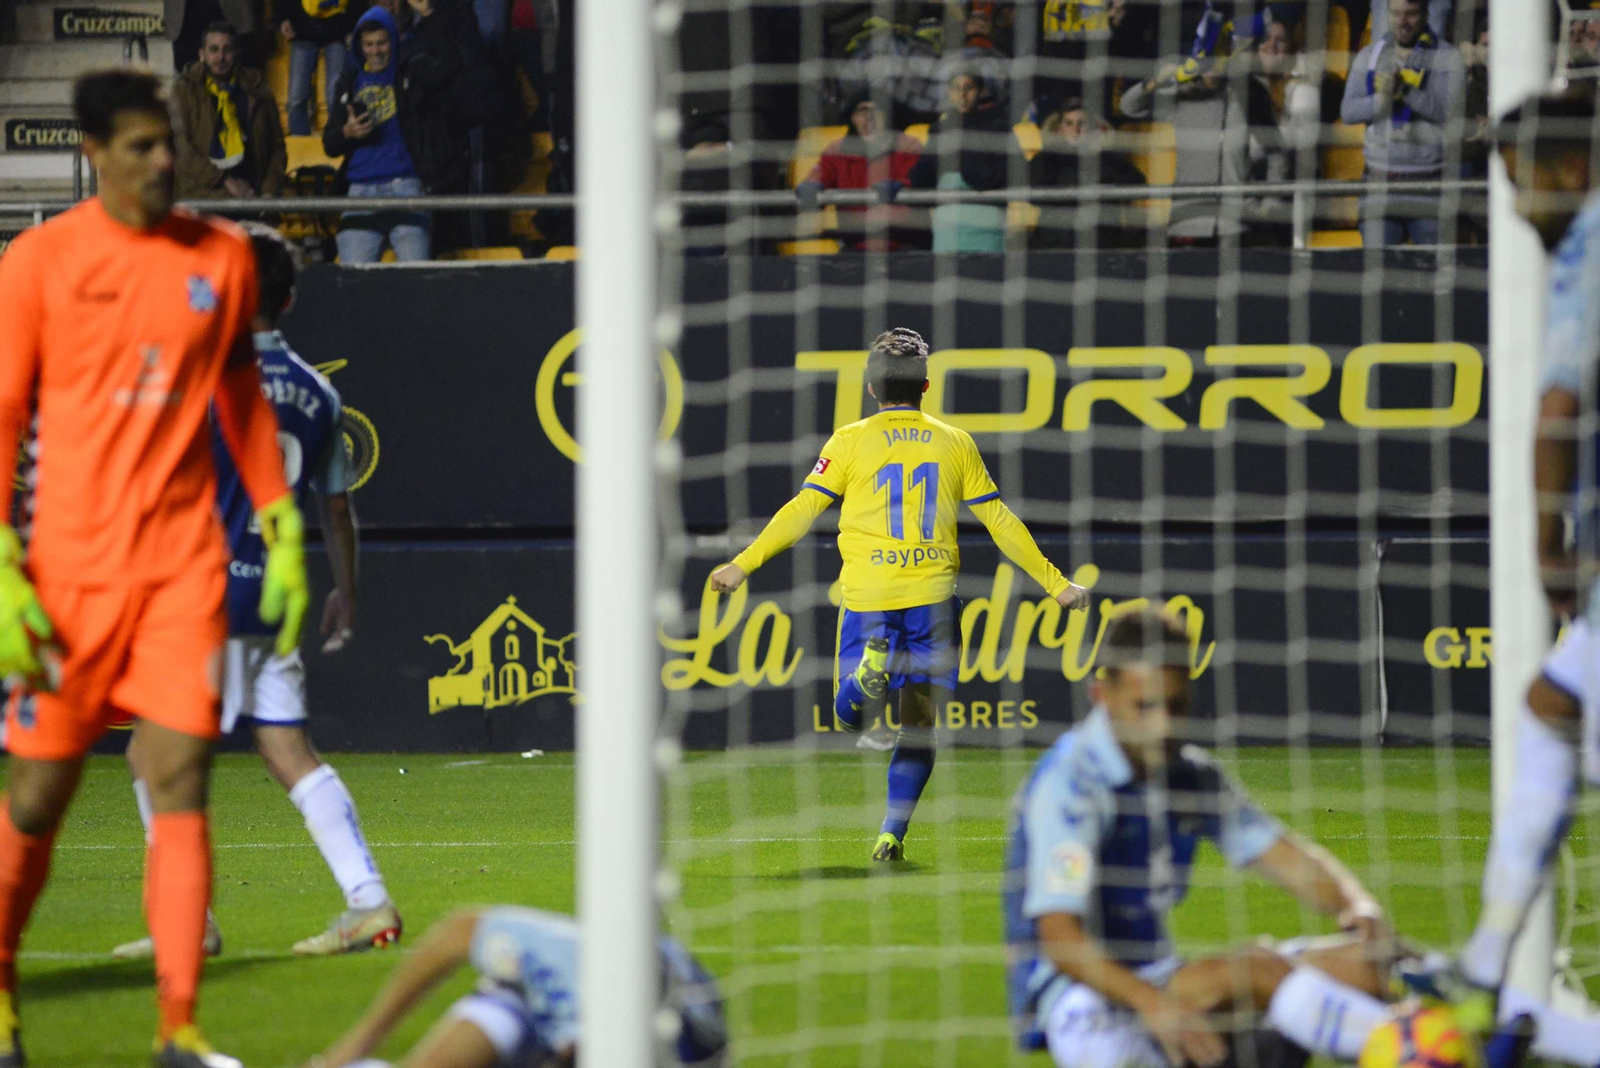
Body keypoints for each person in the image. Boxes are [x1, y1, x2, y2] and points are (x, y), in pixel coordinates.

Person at [0, 69, 308, 1068]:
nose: (163, 160)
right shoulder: (37, 264)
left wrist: (279, 520)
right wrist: (2, 564)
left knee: (177, 779)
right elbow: (3, 417)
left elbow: (241, 399)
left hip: (182, 575)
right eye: (140, 146)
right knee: (36, 798)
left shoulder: (218, 257)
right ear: (92, 152)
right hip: (69, 581)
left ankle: (179, 1029)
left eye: (169, 141)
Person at [109, 223, 401, 963]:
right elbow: (337, 506)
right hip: (276, 594)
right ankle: (368, 898)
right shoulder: (319, 392)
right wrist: (347, 590)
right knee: (285, 747)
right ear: (291, 298)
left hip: (200, 593)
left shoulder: (203, 373)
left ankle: (190, 921)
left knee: (151, 753)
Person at [710, 328, 1089, 863]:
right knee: (918, 727)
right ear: (926, 386)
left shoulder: (848, 440)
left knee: (852, 717)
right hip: (933, 600)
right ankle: (891, 832)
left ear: (871, 387)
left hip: (870, 596)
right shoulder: (955, 441)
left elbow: (802, 510)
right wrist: (1057, 584)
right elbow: (999, 521)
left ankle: (869, 672)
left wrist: (742, 564)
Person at [1409, 89, 1600, 1068]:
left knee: (1551, 713)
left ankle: (1495, 970)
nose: (1517, 208)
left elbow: (1560, 404)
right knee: (1547, 706)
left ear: (1569, 170)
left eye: (1522, 183)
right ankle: (1495, 969)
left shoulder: (1591, 245)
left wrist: (1545, 547)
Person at [1005, 607, 1402, 1068]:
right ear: (1102, 696)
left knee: (1369, 964)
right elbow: (1060, 940)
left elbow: (1285, 857)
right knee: (1254, 970)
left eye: (1176, 706)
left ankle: (1442, 1027)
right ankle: (1409, 1050)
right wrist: (1153, 1005)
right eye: (1145, 707)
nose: (1163, 726)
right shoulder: (1072, 782)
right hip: (1082, 1003)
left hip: (1159, 978)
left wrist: (1357, 905)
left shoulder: (1190, 775)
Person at [302, 906, 728, 1067]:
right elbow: (461, 931)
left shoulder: (694, 1044)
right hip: (535, 1000)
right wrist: (353, 1047)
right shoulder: (562, 971)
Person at [1340, 0, 1464, 247]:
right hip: (1378, 185)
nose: (1402, 22)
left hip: (1429, 187)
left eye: (1411, 14)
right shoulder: (1370, 56)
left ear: (1426, 15)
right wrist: (1382, 100)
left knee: (1432, 269)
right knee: (1377, 270)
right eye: (1396, 14)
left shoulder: (1448, 57)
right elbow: (1348, 112)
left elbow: (1450, 114)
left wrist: (1406, 91)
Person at [323, 6, 431, 263]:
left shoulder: (412, 73)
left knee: (418, 279)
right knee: (352, 282)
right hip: (360, 189)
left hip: (406, 184)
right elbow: (329, 144)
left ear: (393, 41)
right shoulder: (348, 82)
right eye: (368, 44)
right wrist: (347, 132)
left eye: (382, 43)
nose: (375, 51)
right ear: (360, 46)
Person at [170, 21, 286, 200]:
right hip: (201, 200)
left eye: (227, 50)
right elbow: (180, 148)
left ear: (236, 53)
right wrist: (225, 181)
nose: (221, 57)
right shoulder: (184, 90)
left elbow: (277, 148)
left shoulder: (257, 89)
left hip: (253, 199)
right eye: (214, 50)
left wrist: (268, 192)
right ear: (202, 54)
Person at [794, 95, 923, 251]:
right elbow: (820, 175)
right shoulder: (837, 150)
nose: (869, 116)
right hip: (855, 246)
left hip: (904, 245)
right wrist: (811, 185)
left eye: (877, 111)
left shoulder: (908, 146)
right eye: (863, 110)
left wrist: (901, 186)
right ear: (853, 118)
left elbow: (920, 181)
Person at [906, 69, 1017, 252]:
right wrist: (909, 180)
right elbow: (924, 179)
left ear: (980, 91)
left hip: (987, 229)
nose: (962, 95)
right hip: (948, 231)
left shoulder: (998, 128)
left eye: (969, 88)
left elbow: (998, 177)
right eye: (956, 88)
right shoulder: (939, 130)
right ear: (949, 92)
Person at [1026, 96, 1145, 248]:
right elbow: (1032, 193)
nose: (1075, 130)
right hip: (1056, 244)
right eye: (1069, 123)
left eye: (1081, 123)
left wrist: (1101, 154)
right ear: (1060, 128)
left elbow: (1138, 184)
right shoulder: (1045, 158)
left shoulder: (1106, 158)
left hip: (1100, 243)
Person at [279, 0, 362, 137]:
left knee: (335, 95)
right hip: (302, 28)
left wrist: (353, 25)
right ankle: (299, 144)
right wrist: (283, 17)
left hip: (339, 29)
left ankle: (337, 139)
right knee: (296, 97)